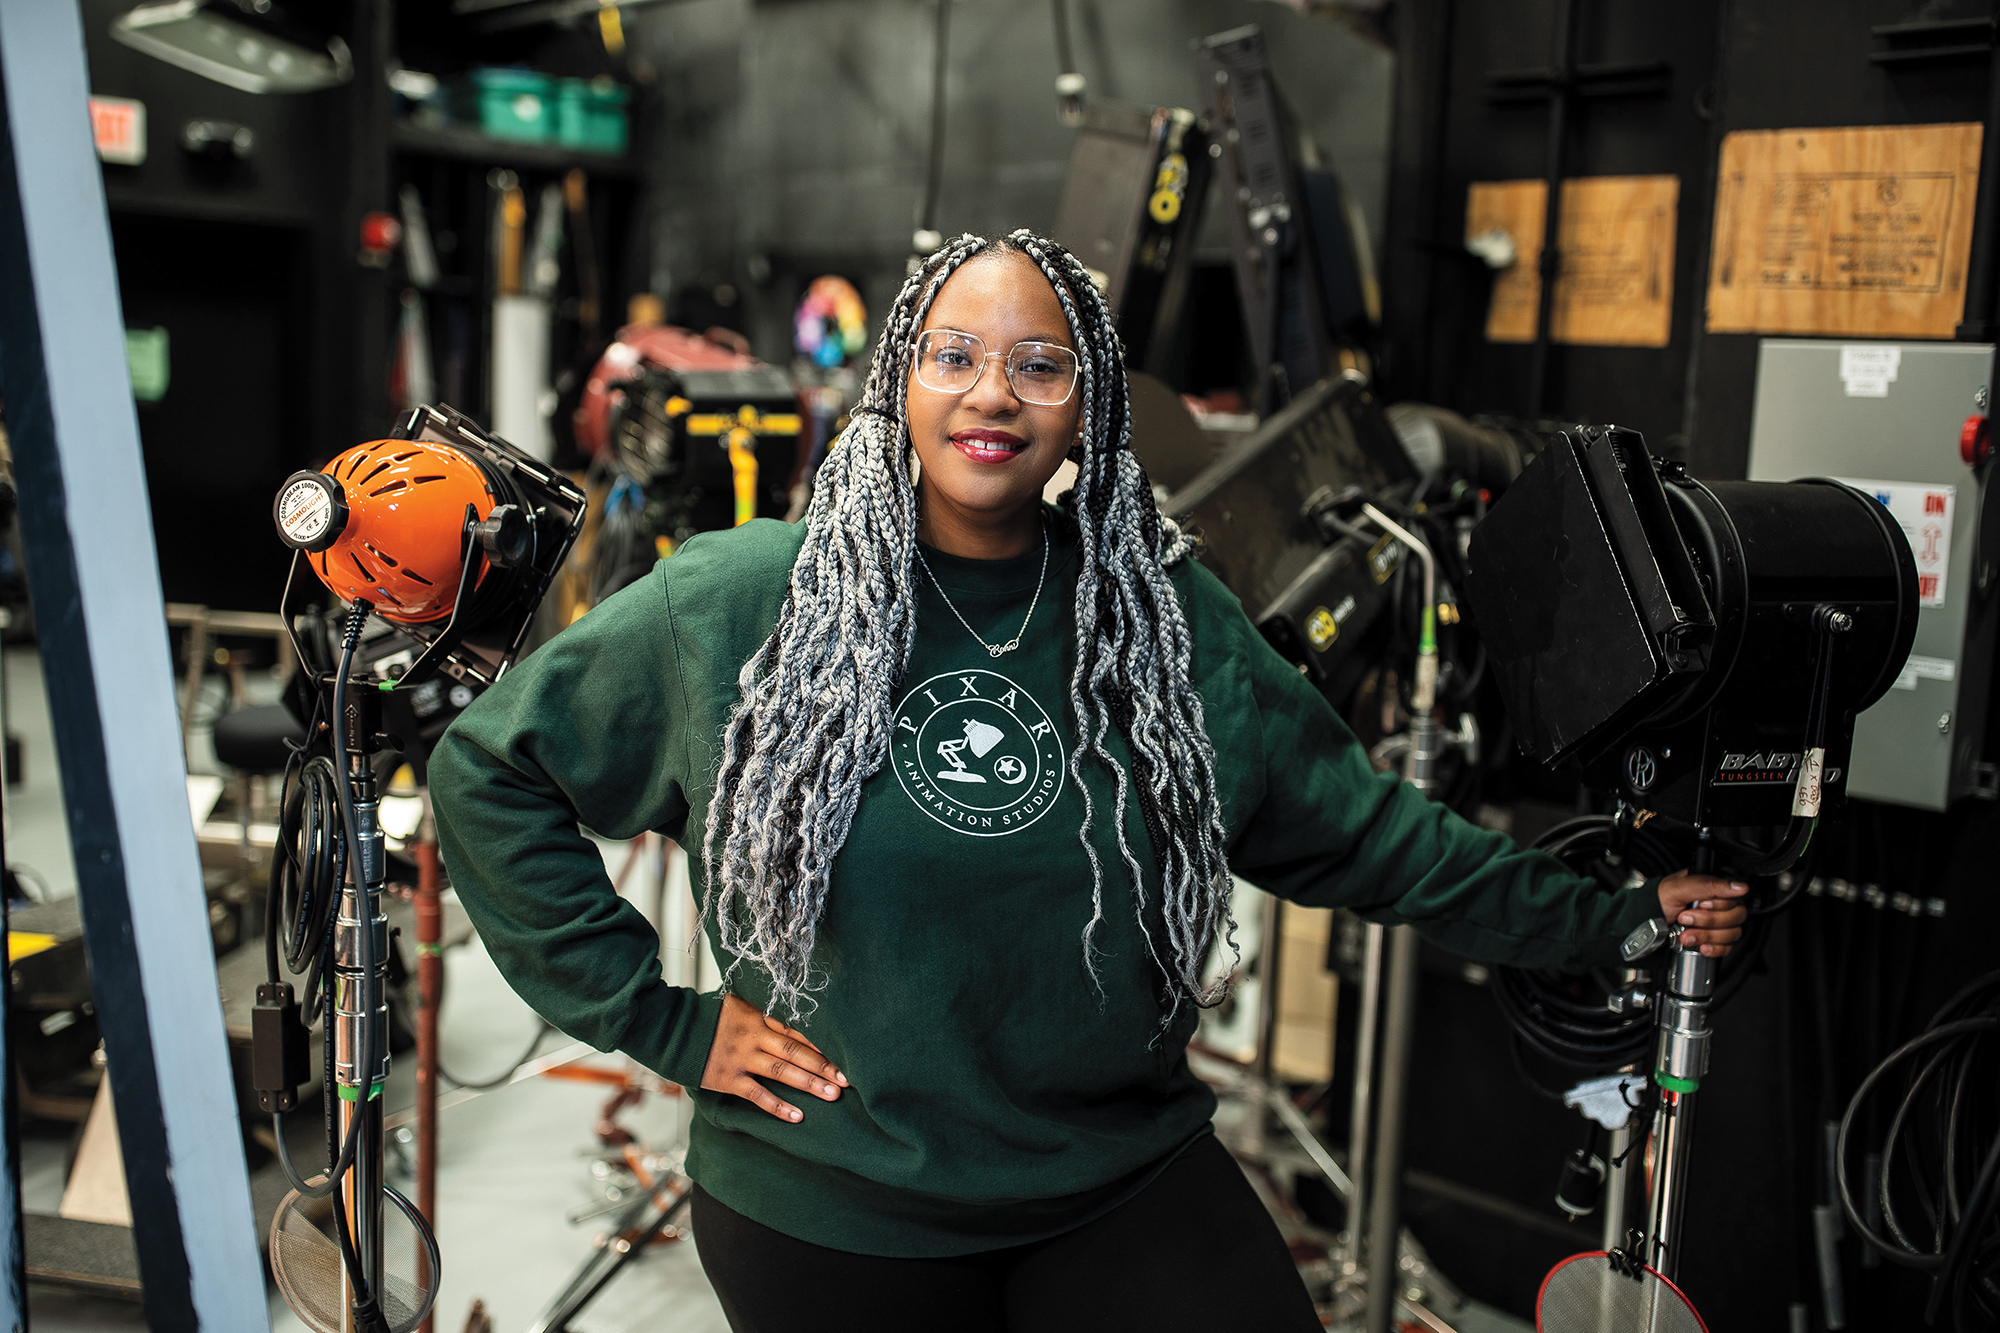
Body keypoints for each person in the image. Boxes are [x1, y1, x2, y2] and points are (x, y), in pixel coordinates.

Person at [429, 229, 1747, 1331]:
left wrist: (1615, 915)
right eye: (953, 356)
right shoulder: (737, 601)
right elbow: (493, 772)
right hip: (835, 1197)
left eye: (1036, 364)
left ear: (1088, 402)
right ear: (900, 381)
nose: (991, 393)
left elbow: (1365, 832)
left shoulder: (1165, 619)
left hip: (1110, 1172)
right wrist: (662, 1021)